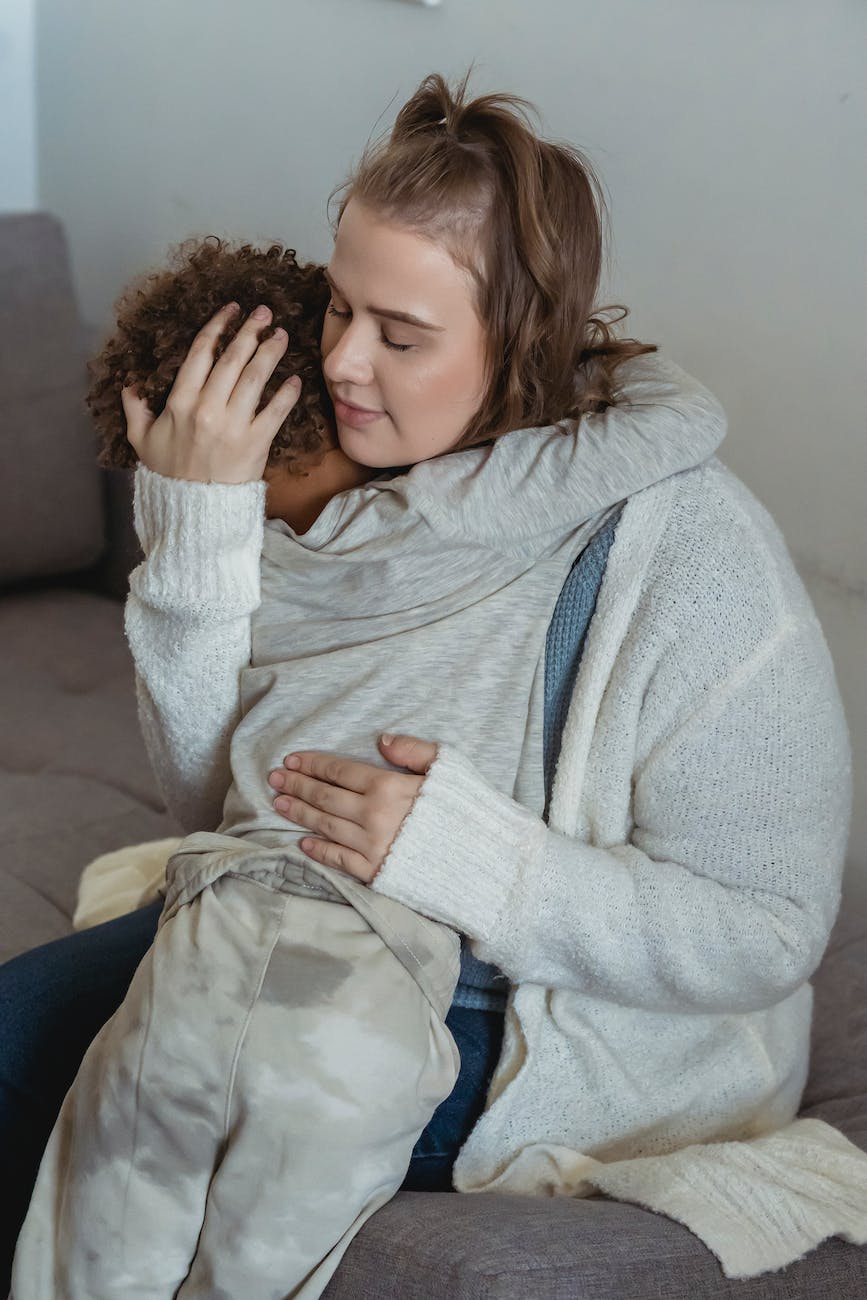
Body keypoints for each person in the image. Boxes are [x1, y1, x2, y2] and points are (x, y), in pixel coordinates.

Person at [2, 68, 860, 1294]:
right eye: (340, 305)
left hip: (540, 1020)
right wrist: (196, 527)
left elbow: (769, 931)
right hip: (285, 915)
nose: (342, 360)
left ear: (523, 344)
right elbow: (213, 810)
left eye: (401, 335)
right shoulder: (351, 498)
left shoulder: (691, 556)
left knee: (181, 1088)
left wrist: (470, 856)